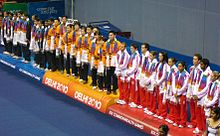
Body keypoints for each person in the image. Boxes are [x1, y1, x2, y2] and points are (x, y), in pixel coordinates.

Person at [193, 58, 212, 134]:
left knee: (203, 114)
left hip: (204, 96)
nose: (200, 66)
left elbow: (207, 87)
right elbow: (197, 83)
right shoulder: (201, 71)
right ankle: (199, 127)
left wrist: (199, 95)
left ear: (206, 65)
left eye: (201, 64)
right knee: (197, 112)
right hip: (198, 95)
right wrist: (195, 94)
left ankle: (205, 129)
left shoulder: (209, 74)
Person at [187, 53, 203, 128]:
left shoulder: (201, 70)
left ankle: (198, 125)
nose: (193, 60)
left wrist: (196, 94)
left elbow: (200, 83)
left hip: (197, 93)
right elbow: (190, 80)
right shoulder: (192, 68)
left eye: (195, 59)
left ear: (199, 61)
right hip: (192, 90)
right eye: (193, 59)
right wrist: (189, 92)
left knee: (197, 110)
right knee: (192, 109)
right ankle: (193, 123)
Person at [171, 61, 189, 128]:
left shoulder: (186, 74)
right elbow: (173, 82)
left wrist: (178, 93)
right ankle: (177, 121)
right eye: (178, 66)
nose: (179, 67)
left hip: (182, 94)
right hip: (175, 93)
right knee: (176, 108)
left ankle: (183, 123)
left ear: (184, 67)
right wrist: (174, 91)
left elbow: (185, 86)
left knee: (182, 109)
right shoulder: (176, 73)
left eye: (180, 66)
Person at [154, 52, 169, 120]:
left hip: (162, 84)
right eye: (159, 56)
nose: (159, 57)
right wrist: (155, 81)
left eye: (160, 56)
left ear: (163, 57)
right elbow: (156, 73)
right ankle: (159, 112)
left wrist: (158, 82)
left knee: (162, 100)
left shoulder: (165, 65)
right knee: (158, 99)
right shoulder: (158, 64)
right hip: (158, 83)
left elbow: (164, 76)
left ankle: (163, 114)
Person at [126, 43, 140, 107]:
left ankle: (136, 102)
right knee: (132, 89)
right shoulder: (132, 55)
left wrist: (129, 73)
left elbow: (135, 67)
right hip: (131, 74)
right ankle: (133, 100)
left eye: (132, 48)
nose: (131, 49)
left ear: (136, 49)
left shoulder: (137, 56)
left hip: (134, 75)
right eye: (130, 48)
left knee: (135, 89)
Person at [144, 51, 158, 115]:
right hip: (148, 78)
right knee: (148, 95)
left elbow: (154, 73)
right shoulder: (150, 61)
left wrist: (149, 80)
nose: (150, 56)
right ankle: (149, 107)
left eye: (151, 55)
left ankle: (153, 110)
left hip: (152, 81)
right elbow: (147, 70)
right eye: (149, 55)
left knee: (152, 97)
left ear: (154, 56)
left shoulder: (155, 63)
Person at [165, 58, 178, 124]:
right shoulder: (169, 68)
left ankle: (173, 118)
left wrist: (173, 90)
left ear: (173, 62)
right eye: (168, 61)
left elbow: (175, 80)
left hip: (173, 88)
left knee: (173, 104)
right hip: (169, 86)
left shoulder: (174, 69)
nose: (169, 63)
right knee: (170, 103)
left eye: (170, 62)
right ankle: (170, 116)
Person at [137, 43, 150, 109]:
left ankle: (147, 106)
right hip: (142, 73)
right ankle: (143, 104)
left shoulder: (148, 56)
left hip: (146, 75)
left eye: (142, 48)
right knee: (141, 89)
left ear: (146, 49)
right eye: (141, 47)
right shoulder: (142, 55)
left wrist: (146, 77)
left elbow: (149, 67)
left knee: (146, 91)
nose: (141, 49)